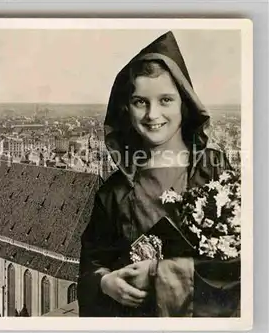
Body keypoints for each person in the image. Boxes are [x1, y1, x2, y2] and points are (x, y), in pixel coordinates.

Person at [77, 31, 240, 317]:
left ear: (184, 104)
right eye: (141, 101)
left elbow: (245, 268)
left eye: (165, 100)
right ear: (126, 109)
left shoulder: (215, 169)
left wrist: (157, 274)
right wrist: (104, 283)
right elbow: (91, 266)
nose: (153, 115)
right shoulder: (113, 192)